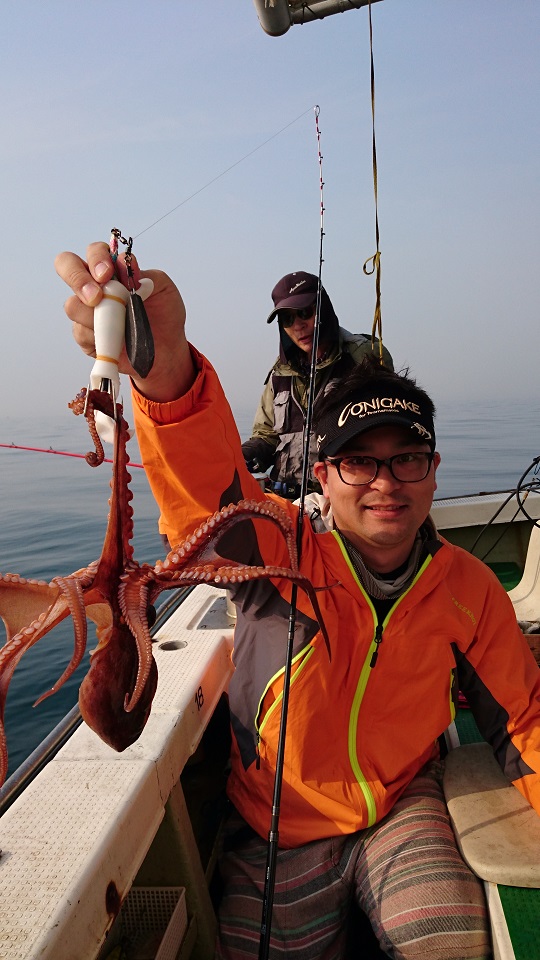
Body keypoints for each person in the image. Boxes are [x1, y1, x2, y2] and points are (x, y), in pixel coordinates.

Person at [57, 242, 540, 960]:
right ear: (322, 473)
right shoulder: (276, 551)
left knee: (444, 940)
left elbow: (524, 720)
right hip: (277, 824)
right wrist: (163, 374)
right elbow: (206, 501)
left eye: (407, 456)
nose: (385, 481)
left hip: (403, 806)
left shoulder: (469, 588)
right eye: (358, 460)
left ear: (435, 472)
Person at [241, 271, 393, 498]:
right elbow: (266, 434)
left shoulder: (362, 356)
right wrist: (242, 456)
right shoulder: (279, 373)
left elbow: (386, 430)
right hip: (284, 500)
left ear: (324, 310)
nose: (298, 325)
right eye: (287, 319)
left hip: (342, 500)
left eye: (304, 313)